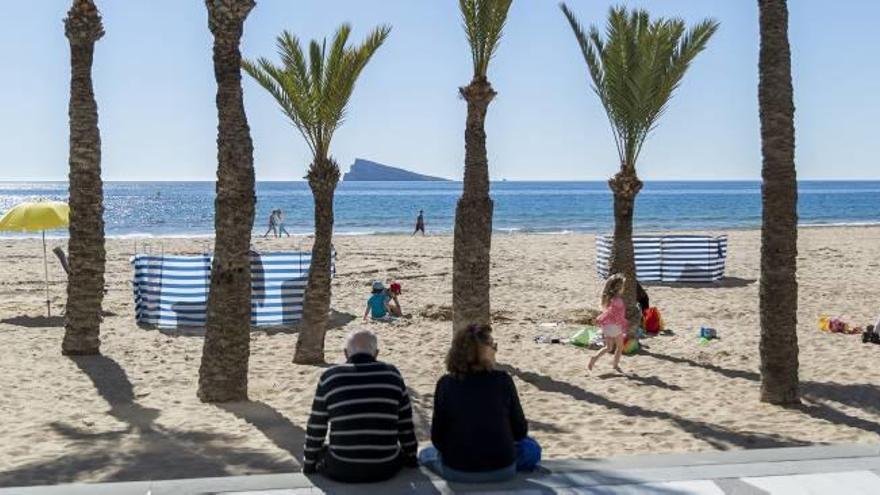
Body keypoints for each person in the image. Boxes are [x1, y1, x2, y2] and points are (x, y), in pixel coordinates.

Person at [419, 324, 540, 483]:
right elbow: (519, 431)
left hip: (457, 469)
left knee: (425, 453)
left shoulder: (446, 383)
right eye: (493, 346)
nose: (496, 350)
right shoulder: (503, 380)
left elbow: (438, 438)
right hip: (503, 469)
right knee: (531, 448)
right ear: (486, 352)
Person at [302, 329, 418, 483]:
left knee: (325, 450)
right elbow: (405, 424)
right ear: (376, 353)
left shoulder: (330, 377)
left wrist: (309, 465)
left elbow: (317, 426)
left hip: (341, 468)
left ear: (345, 353)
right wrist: (411, 459)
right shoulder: (392, 374)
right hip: (386, 467)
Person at [589, 273, 628, 373]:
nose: (624, 288)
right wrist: (624, 323)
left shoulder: (608, 299)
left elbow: (607, 312)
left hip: (606, 327)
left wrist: (599, 319)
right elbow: (615, 314)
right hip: (615, 327)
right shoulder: (618, 300)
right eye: (623, 286)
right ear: (620, 288)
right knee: (619, 347)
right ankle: (615, 365)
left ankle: (594, 358)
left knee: (608, 347)